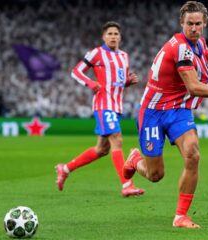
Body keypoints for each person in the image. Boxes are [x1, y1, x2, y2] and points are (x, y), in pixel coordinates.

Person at [122, 1, 208, 229]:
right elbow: (193, 87)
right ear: (181, 23)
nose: (193, 28)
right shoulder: (180, 47)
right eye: (189, 23)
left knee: (193, 154)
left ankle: (180, 216)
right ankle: (134, 159)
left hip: (178, 110)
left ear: (204, 24)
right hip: (153, 112)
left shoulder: (198, 42)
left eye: (198, 23)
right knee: (155, 175)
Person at [55, 21, 145, 197]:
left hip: (116, 106)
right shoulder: (97, 53)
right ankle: (127, 184)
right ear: (104, 37)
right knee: (117, 140)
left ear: (120, 37)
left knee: (101, 149)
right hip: (103, 105)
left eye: (116, 34)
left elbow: (117, 81)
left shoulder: (124, 56)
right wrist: (90, 82)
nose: (113, 36)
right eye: (109, 33)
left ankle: (65, 168)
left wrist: (126, 83)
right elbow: (76, 71)